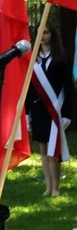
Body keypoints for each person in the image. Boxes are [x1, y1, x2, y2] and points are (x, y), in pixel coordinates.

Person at [26, 23, 72, 197]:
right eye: (39, 33)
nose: (42, 36)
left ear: (52, 35)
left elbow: (68, 88)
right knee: (43, 148)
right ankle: (47, 185)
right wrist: (27, 113)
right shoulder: (33, 59)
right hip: (37, 109)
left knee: (54, 149)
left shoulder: (62, 58)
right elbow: (29, 88)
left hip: (54, 109)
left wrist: (67, 113)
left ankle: (56, 188)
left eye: (45, 32)